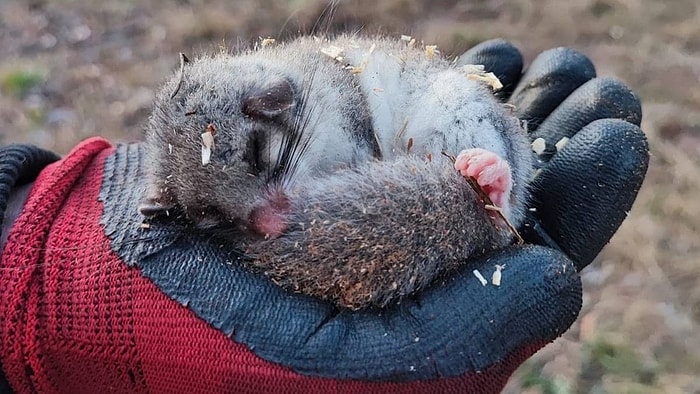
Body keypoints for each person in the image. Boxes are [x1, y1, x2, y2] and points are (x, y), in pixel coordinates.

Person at [0, 39, 648, 394]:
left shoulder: (307, 95)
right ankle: (474, 204)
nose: (268, 221)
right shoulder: (220, 175)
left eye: (264, 168)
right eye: (226, 212)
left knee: (463, 108)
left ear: (275, 102)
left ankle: (484, 199)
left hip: (423, 140)